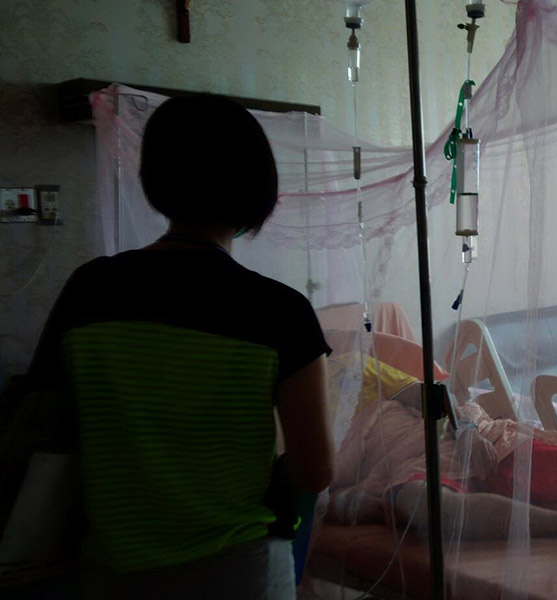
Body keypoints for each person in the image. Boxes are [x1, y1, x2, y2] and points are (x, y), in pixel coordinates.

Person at [26, 94, 332, 599]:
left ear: (155, 180)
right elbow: (314, 470)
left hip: (111, 565)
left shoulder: (89, 290)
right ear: (258, 189)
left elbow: (50, 424)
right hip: (238, 568)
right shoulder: (280, 311)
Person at [325, 354, 557, 541]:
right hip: (405, 468)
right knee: (419, 504)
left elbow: (435, 397)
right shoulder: (296, 429)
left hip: (449, 435)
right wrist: (345, 504)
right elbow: (320, 491)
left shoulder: (350, 365)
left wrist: (466, 433)